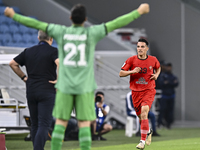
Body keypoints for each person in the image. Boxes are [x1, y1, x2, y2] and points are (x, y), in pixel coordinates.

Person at [4, 3, 150, 150]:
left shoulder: (61, 32)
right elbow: (116, 23)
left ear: (70, 18)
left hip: (65, 87)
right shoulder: (92, 33)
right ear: (85, 19)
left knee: (60, 123)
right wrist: (139, 11)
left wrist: (14, 16)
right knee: (84, 124)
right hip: (84, 87)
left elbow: (35, 23)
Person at [9, 30, 59, 150]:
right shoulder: (53, 51)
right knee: (44, 124)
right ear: (51, 38)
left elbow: (12, 63)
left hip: (31, 90)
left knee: (35, 124)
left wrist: (24, 77)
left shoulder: (28, 51)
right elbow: (60, 63)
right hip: (47, 90)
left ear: (38, 38)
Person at [119, 38, 161, 149]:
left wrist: (156, 75)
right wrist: (132, 71)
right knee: (141, 117)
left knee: (144, 113)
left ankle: (142, 142)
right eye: (138, 46)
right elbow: (121, 73)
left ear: (147, 48)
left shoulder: (153, 59)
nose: (140, 49)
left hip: (149, 90)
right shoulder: (131, 60)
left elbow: (158, 67)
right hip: (135, 92)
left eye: (142, 47)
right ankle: (148, 131)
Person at [157, 62, 178, 129]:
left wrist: (168, 82)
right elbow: (162, 83)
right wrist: (170, 82)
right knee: (162, 110)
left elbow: (176, 83)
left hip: (171, 95)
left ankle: (169, 124)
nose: (168, 68)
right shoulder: (163, 75)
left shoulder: (173, 76)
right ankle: (159, 123)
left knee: (170, 110)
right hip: (164, 95)